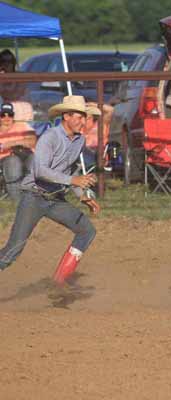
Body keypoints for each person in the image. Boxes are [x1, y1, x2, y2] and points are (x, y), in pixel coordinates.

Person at [0, 96, 100, 284]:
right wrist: (74, 180)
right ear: (66, 116)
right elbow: (41, 171)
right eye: (79, 117)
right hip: (34, 196)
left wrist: (82, 195)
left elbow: (71, 170)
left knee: (87, 230)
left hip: (55, 198)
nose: (83, 121)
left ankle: (58, 283)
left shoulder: (79, 141)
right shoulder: (50, 137)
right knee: (13, 250)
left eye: (84, 117)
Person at [0, 103, 37, 201]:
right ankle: (18, 199)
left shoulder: (22, 126)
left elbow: (32, 141)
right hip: (5, 160)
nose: (6, 118)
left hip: (25, 155)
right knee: (13, 161)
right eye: (3, 115)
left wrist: (12, 143)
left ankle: (34, 194)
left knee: (35, 159)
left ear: (13, 116)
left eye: (10, 115)